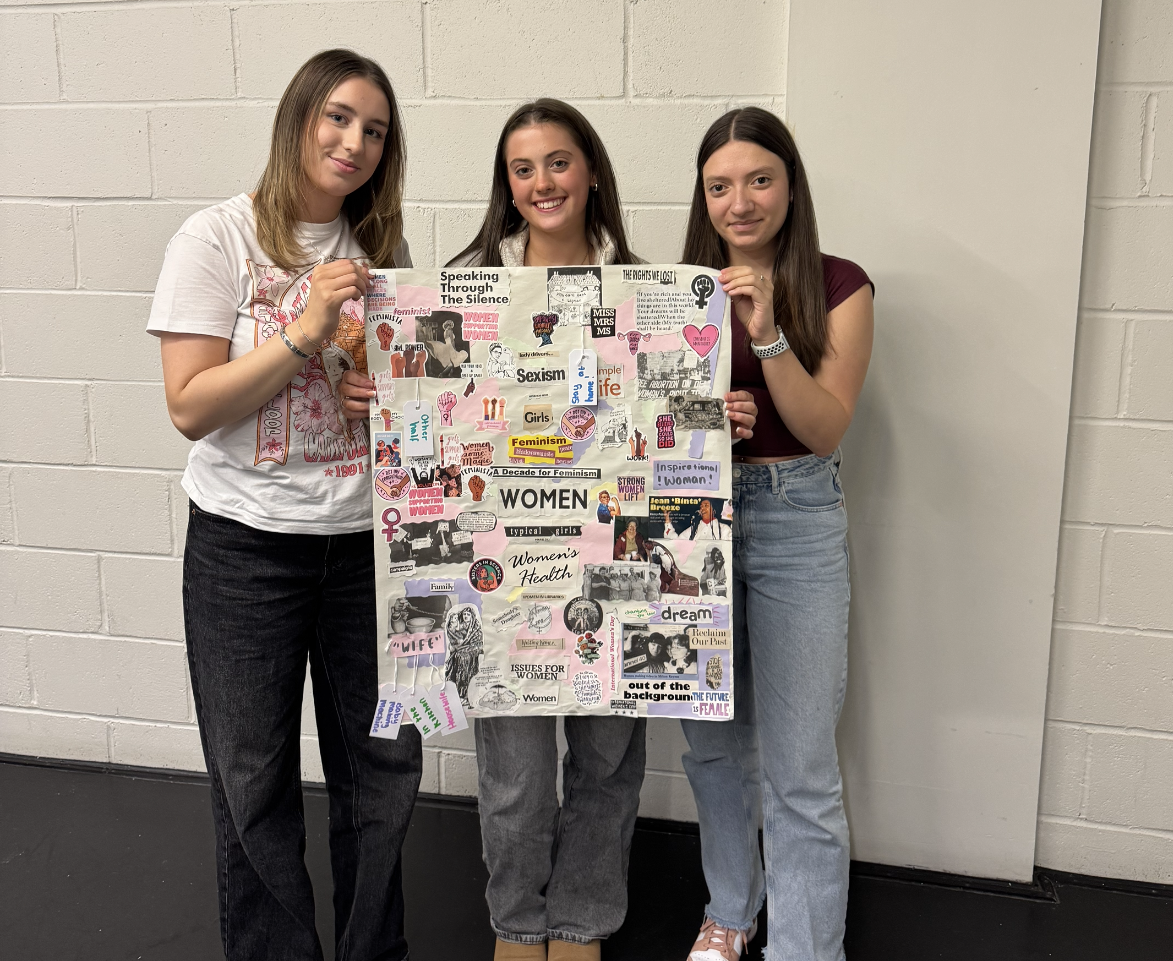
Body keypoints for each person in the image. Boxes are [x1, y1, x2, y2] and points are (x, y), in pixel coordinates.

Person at [448, 98, 758, 961]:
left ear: (589, 171)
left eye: (557, 162)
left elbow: (671, 418)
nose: (542, 182)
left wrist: (713, 412)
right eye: (523, 168)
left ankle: (582, 918)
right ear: (506, 187)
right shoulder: (467, 284)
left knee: (606, 764)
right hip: (504, 568)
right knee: (512, 776)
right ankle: (516, 920)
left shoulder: (655, 294)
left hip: (619, 565)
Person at [148, 49, 420, 961]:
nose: (354, 143)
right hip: (244, 551)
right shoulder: (215, 239)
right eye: (338, 117)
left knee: (382, 774)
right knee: (251, 781)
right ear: (298, 117)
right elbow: (191, 406)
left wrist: (382, 400)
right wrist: (303, 337)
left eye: (374, 130)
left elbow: (403, 402)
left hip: (362, 548)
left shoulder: (382, 252)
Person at [678, 108, 874, 961]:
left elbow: (823, 428)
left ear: (790, 185)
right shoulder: (676, 289)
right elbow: (628, 429)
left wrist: (766, 337)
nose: (740, 202)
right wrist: (698, 416)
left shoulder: (840, 284)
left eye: (759, 180)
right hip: (691, 521)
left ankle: (805, 947)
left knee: (800, 769)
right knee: (711, 745)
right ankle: (730, 911)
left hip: (795, 515)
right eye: (719, 186)